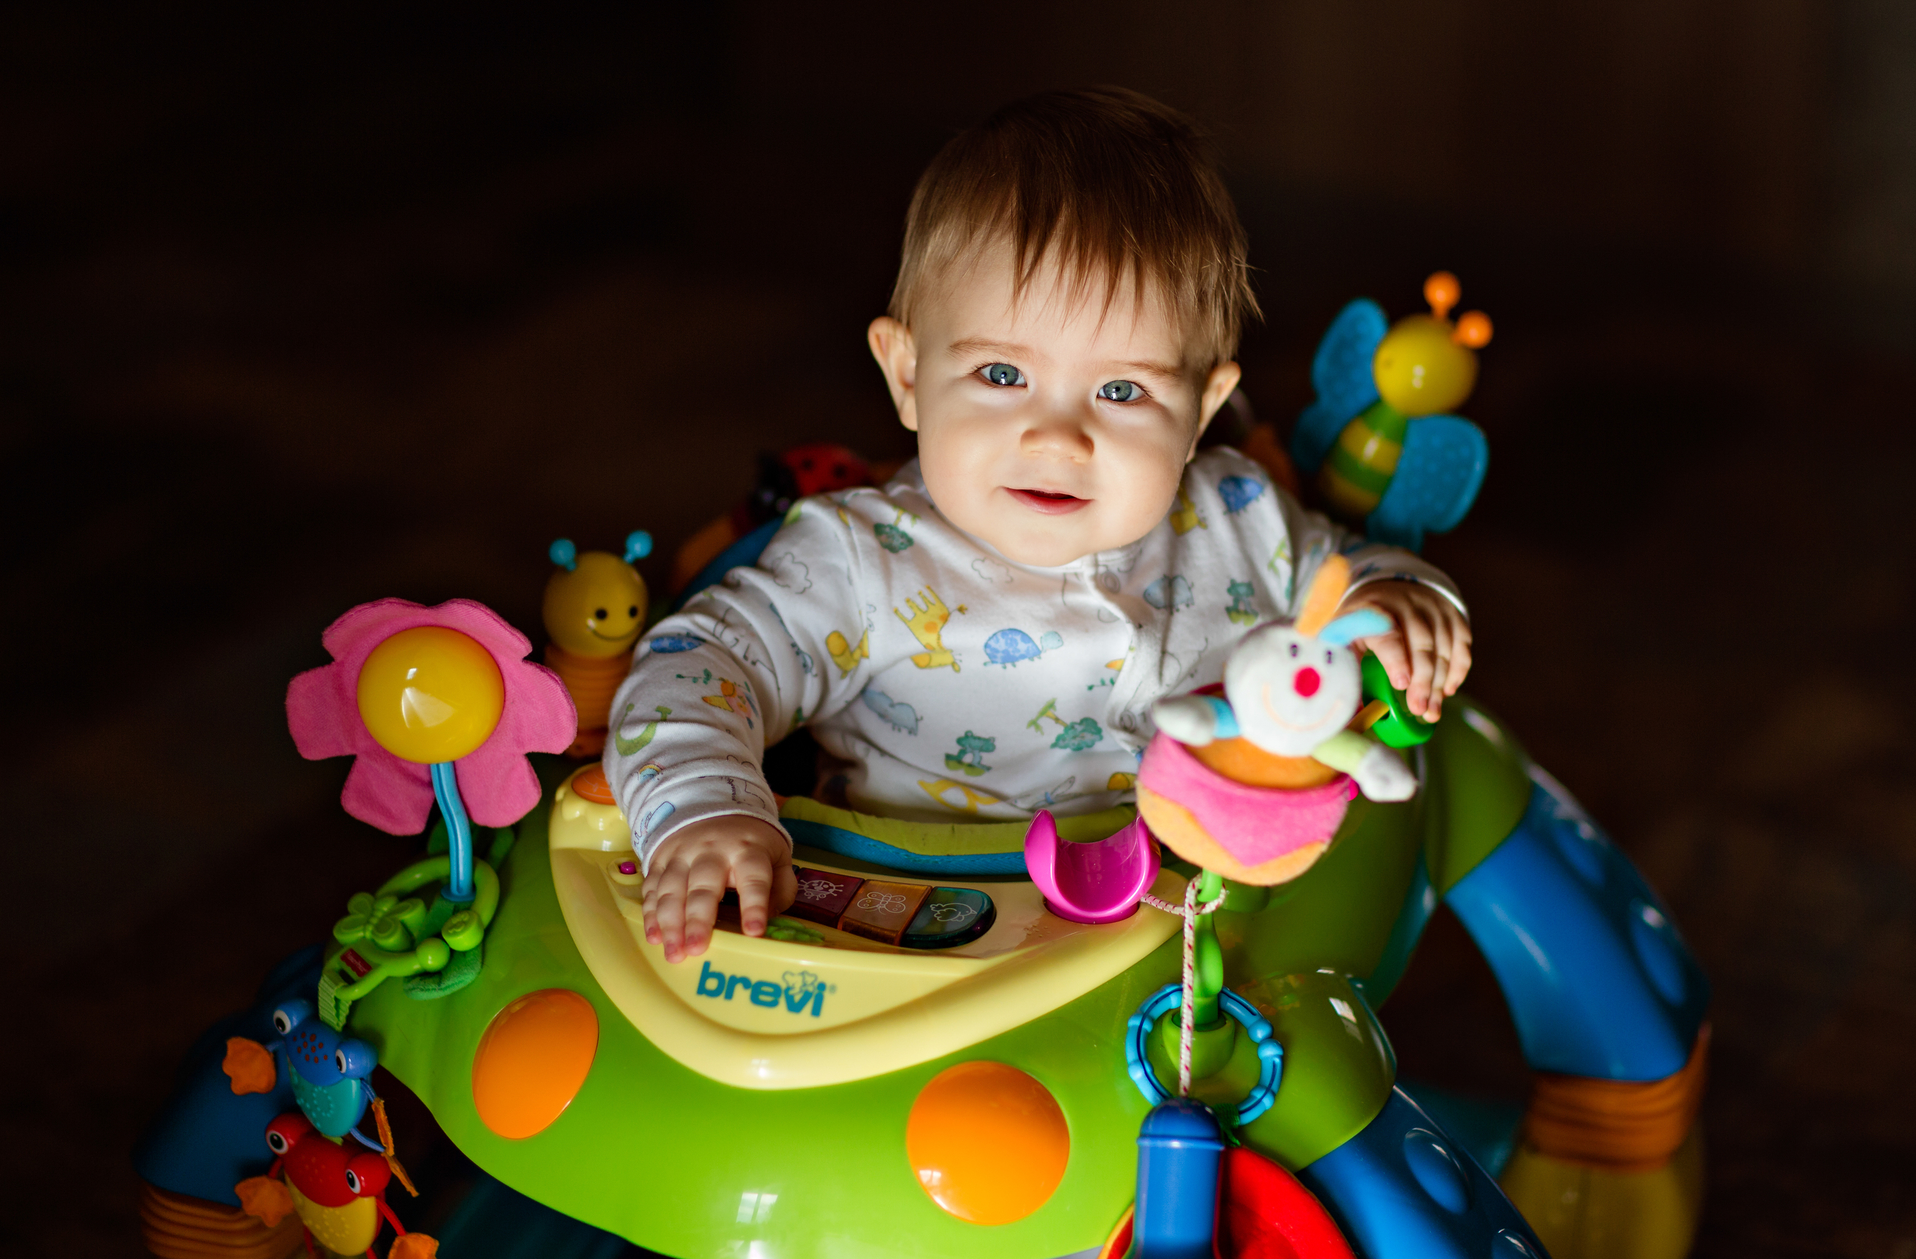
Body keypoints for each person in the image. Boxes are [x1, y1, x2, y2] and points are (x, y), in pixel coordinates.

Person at [605, 87, 1472, 963]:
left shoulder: (1239, 517)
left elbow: (1350, 582)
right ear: (907, 375)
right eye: (1000, 374)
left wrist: (1400, 601)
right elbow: (698, 662)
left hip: (1179, 928)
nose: (1058, 436)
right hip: (908, 933)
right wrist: (706, 810)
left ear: (1202, 410)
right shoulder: (860, 560)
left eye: (1122, 391)